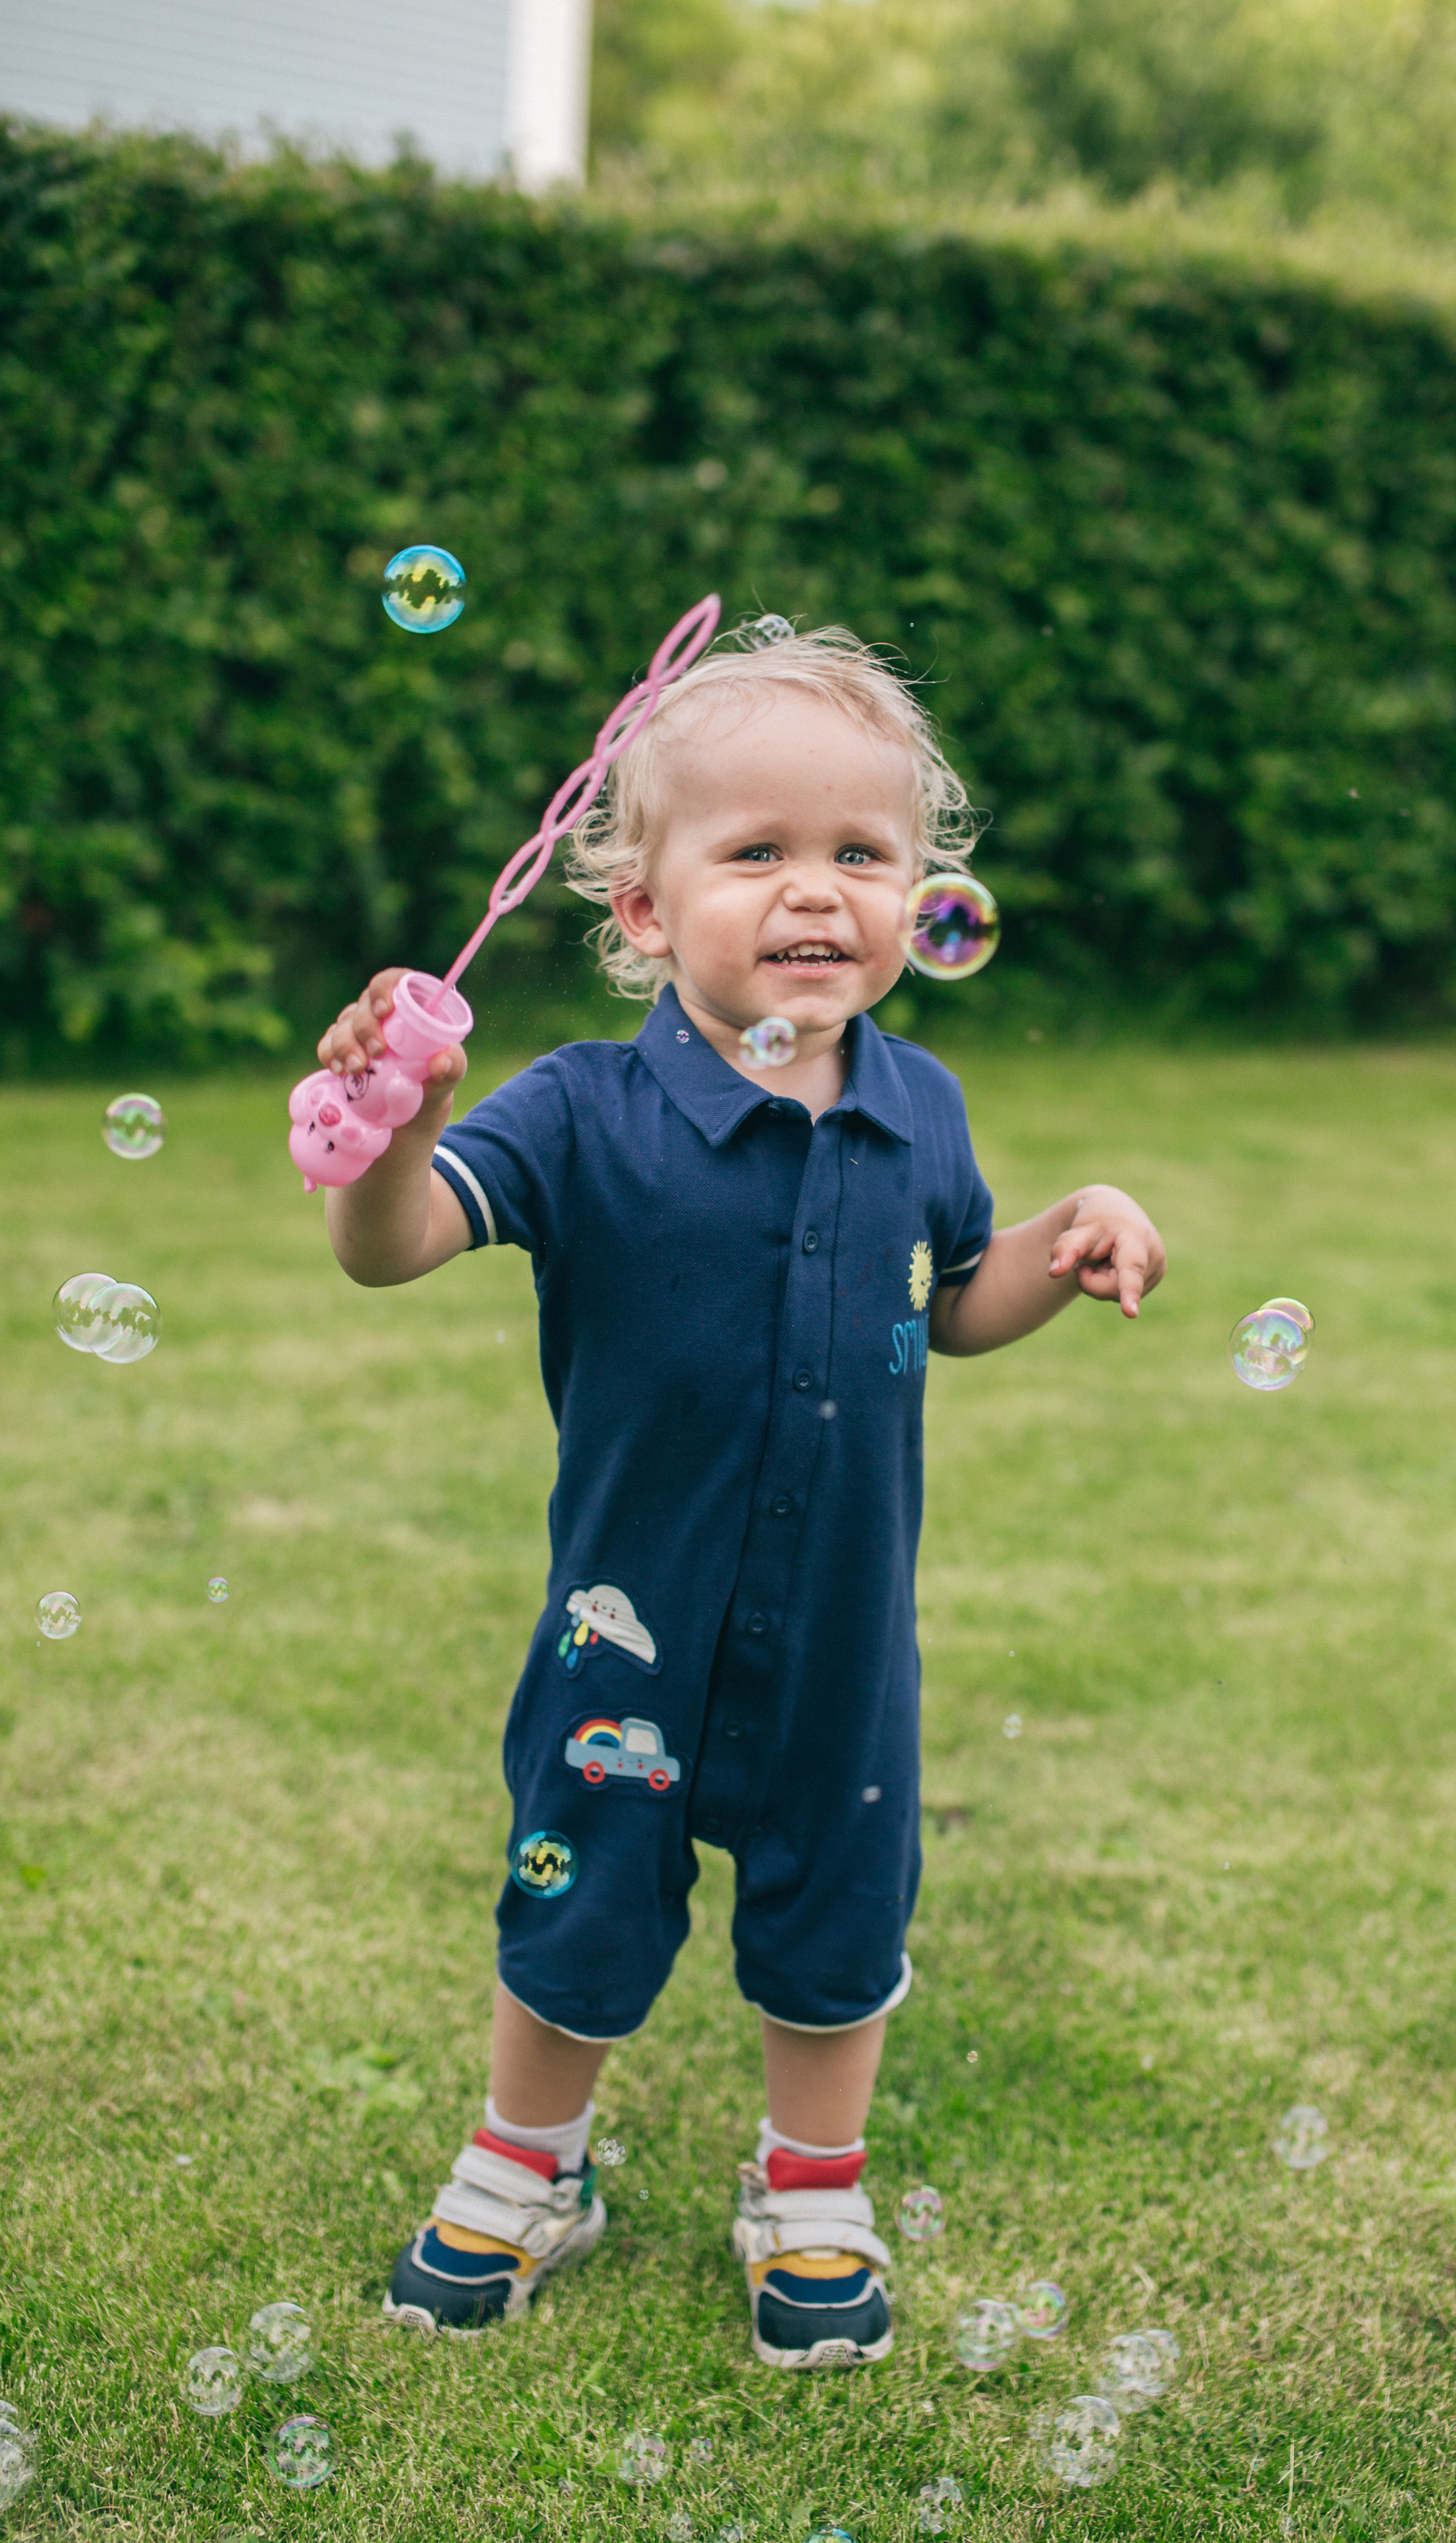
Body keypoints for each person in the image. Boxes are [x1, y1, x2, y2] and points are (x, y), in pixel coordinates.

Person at [313, 624, 1166, 2368]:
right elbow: (389, 1253)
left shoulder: (917, 1108)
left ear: (925, 901)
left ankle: (812, 2187)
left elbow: (948, 1307)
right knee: (581, 1887)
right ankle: (526, 2162)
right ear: (636, 909)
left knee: (841, 1896)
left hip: (843, 1625)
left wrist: (1055, 1247)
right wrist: (393, 1130)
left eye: (862, 856)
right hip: (628, 1620)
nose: (815, 893)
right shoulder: (577, 1114)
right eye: (757, 851)